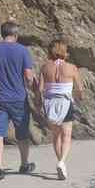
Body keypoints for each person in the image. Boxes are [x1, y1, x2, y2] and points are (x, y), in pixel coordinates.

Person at [0, 19, 35, 180]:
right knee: (22, 134)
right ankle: (24, 164)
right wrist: (32, 85)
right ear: (15, 34)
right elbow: (28, 75)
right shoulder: (22, 51)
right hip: (18, 98)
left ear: (2, 33)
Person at [37, 39, 83, 180]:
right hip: (65, 102)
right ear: (64, 51)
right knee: (66, 135)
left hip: (50, 102)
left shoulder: (45, 67)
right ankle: (61, 162)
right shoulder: (71, 67)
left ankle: (60, 163)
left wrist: (39, 103)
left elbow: (39, 89)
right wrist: (80, 97)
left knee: (56, 136)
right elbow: (80, 88)